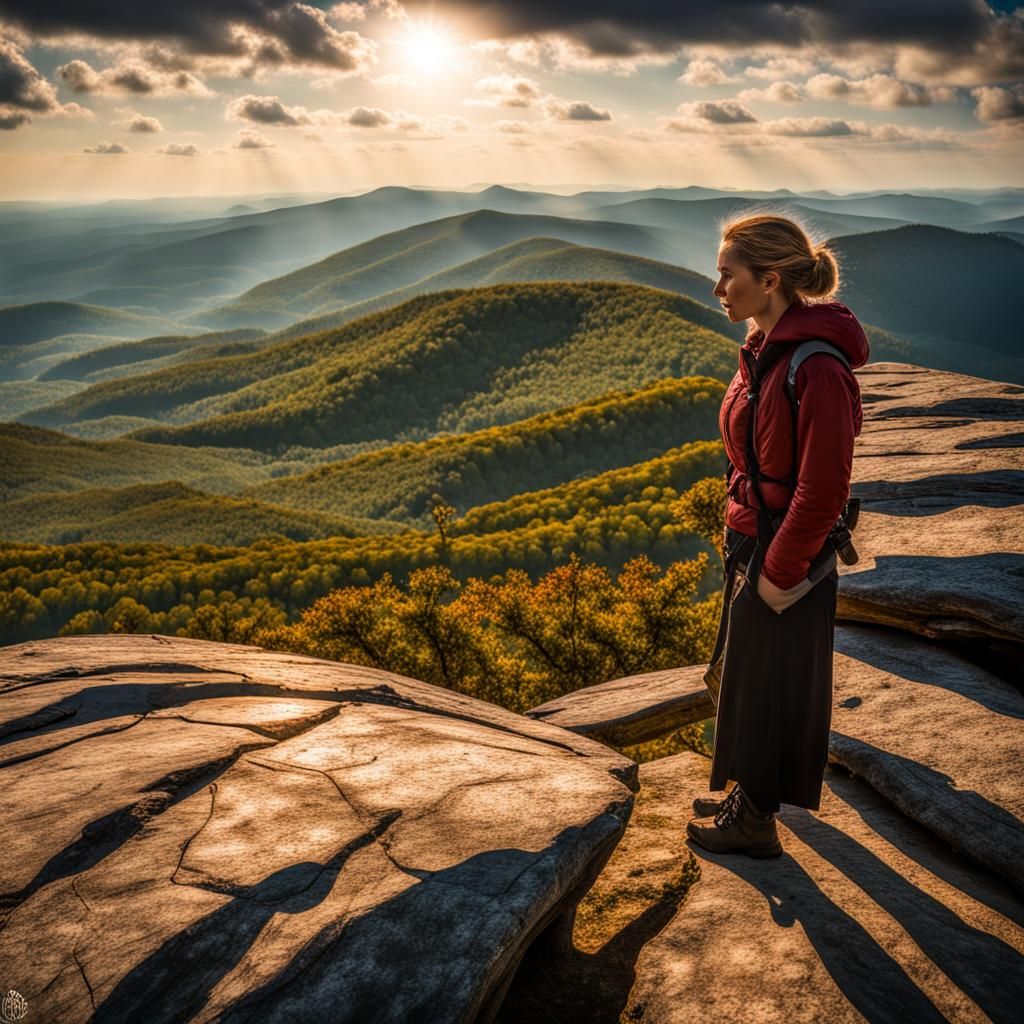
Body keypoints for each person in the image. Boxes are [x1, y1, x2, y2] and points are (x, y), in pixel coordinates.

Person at [686, 213, 869, 858]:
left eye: (726, 275)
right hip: (754, 538)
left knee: (770, 686)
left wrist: (778, 572)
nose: (717, 289)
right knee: (749, 677)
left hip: (783, 550)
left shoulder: (815, 368)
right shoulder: (764, 352)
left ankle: (756, 821)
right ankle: (748, 796)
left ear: (768, 280)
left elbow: (823, 490)